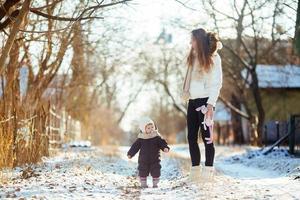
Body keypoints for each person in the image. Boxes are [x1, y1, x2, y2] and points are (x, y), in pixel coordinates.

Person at [181, 28, 223, 182]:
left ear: (198, 40)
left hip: (206, 102)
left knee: (207, 139)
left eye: (192, 40)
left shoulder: (214, 58)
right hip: (192, 101)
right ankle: (195, 172)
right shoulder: (192, 57)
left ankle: (208, 173)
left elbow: (216, 83)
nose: (190, 43)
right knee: (191, 137)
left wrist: (211, 104)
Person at [127, 117, 170, 188]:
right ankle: (143, 183)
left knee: (156, 170)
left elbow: (162, 143)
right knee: (143, 171)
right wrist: (130, 154)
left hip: (155, 159)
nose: (151, 129)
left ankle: (155, 183)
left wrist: (165, 148)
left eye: (152, 127)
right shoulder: (141, 138)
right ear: (144, 129)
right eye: (148, 128)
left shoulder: (156, 137)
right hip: (143, 159)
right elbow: (135, 147)